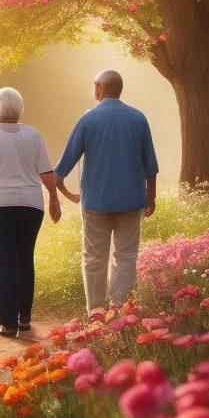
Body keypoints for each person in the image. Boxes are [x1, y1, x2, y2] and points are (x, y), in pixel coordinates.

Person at [54, 69, 158, 313]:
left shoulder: (88, 119)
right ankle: (121, 311)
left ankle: (97, 314)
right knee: (126, 258)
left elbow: (61, 170)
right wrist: (150, 198)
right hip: (132, 203)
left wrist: (70, 196)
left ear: (99, 87)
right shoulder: (138, 119)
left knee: (94, 260)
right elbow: (150, 166)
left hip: (95, 205)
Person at [0, 87, 61, 338]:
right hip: (30, 204)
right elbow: (46, 173)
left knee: (5, 262)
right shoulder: (33, 135)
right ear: (19, 108)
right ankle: (24, 318)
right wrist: (54, 199)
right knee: (25, 259)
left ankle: (7, 322)